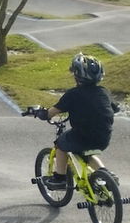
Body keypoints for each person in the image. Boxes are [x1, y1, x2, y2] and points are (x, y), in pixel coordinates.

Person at [37, 53, 116, 188]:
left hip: (83, 136)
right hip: (103, 138)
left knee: (61, 144)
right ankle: (106, 173)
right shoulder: (104, 92)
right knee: (86, 152)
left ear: (77, 75)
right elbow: (114, 108)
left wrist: (42, 113)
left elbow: (52, 112)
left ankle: (60, 178)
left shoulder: (73, 94)